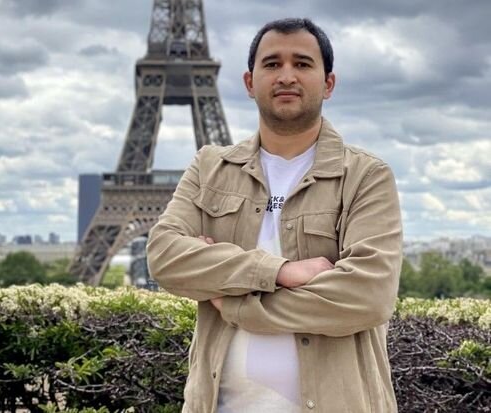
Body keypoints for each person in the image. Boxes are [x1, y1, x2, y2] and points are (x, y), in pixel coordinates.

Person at [147, 17, 402, 413]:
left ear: (328, 83)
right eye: (272, 64)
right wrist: (280, 271)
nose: (286, 75)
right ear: (250, 82)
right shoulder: (209, 168)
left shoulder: (366, 176)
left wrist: (234, 303)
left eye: (301, 63)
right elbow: (164, 256)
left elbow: (368, 297)